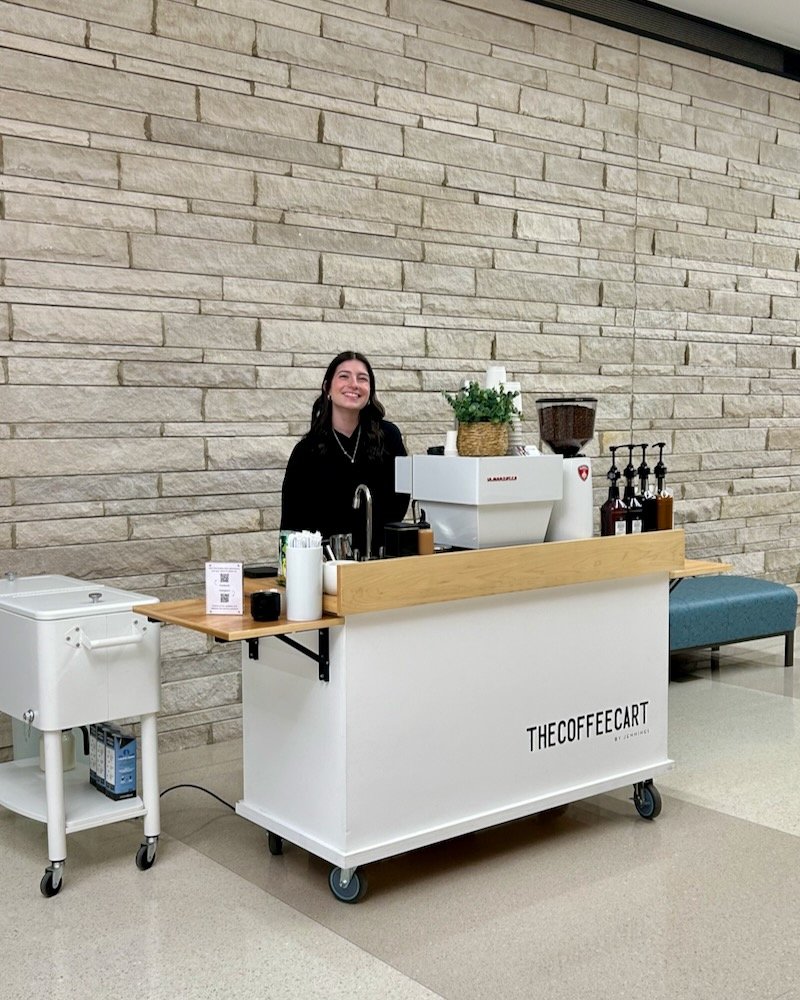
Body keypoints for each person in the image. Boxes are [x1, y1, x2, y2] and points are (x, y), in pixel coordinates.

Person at [280, 351, 409, 558]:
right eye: (344, 376)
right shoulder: (306, 451)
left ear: (370, 390)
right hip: (323, 565)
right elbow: (291, 523)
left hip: (380, 558)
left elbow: (400, 499)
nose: (354, 384)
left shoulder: (389, 438)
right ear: (327, 388)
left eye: (362, 378)